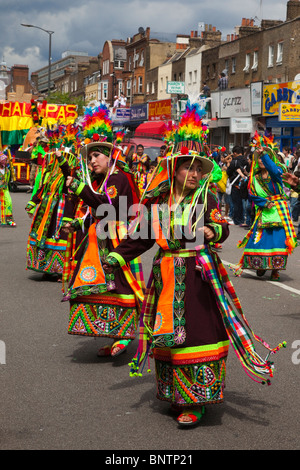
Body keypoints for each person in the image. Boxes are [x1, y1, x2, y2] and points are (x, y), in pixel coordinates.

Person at [102, 101, 284, 427]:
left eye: (200, 168)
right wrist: (119, 254)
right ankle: (176, 392)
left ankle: (197, 400)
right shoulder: (158, 200)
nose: (196, 174)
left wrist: (212, 230)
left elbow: (222, 226)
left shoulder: (207, 199)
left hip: (197, 276)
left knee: (198, 334)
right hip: (166, 276)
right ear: (175, 168)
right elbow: (142, 235)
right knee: (168, 334)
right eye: (189, 167)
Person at [62, 104, 145, 357]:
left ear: (110, 156)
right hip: (100, 239)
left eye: (96, 155)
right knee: (100, 286)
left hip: (118, 240)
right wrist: (76, 223)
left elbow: (109, 209)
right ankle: (112, 332)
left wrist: (80, 190)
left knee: (120, 285)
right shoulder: (99, 180)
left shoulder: (118, 178)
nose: (92, 161)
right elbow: (94, 213)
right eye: (89, 158)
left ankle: (124, 333)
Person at [235, 142, 297, 281]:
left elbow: (273, 170)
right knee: (260, 239)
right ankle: (261, 265)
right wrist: (264, 202)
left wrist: (264, 154)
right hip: (264, 211)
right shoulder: (254, 177)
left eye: (265, 158)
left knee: (278, 241)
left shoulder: (277, 172)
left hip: (279, 211)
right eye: (260, 158)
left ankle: (276, 268)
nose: (262, 160)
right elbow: (251, 194)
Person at [226, 146, 248, 226]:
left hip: (235, 184)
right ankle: (242, 219)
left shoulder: (234, 161)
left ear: (235, 153)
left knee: (236, 203)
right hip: (244, 184)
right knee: (242, 203)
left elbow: (228, 172)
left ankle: (236, 220)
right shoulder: (246, 161)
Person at [0, 152, 16, 227]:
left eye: (5, 160)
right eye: (3, 160)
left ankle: (9, 219)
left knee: (9, 202)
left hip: (5, 189)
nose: (5, 161)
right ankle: (1, 219)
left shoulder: (7, 170)